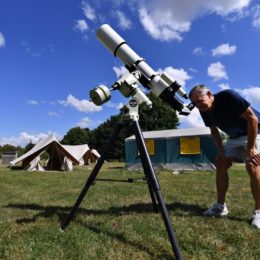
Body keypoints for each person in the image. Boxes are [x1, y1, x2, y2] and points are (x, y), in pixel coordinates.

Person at [189, 84, 260, 229]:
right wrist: (221, 152)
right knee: (221, 163)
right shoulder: (204, 110)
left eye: (199, 100)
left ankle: (259, 212)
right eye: (194, 103)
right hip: (234, 138)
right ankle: (220, 207)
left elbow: (252, 119)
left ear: (209, 94)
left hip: (255, 131)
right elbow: (214, 131)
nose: (197, 105)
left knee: (252, 164)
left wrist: (251, 148)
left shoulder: (228, 96)